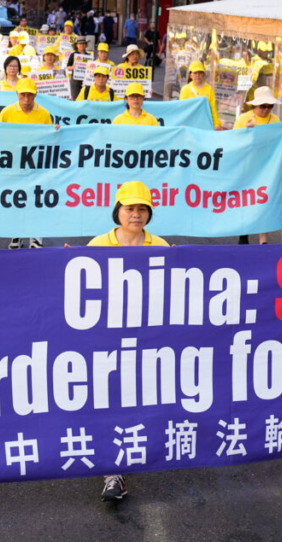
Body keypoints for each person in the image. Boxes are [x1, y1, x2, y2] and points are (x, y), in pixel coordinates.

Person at [87, 181, 169, 501]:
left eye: (142, 209)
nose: (136, 214)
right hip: (107, 338)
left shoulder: (161, 246)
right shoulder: (97, 244)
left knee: (139, 398)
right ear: (117, 211)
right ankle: (113, 473)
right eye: (130, 208)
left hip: (148, 338)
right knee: (110, 399)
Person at [0, 78, 58, 249]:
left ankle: (36, 239)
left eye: (30, 95)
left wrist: (56, 131)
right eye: (23, 94)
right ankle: (16, 235)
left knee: (36, 200)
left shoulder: (44, 114)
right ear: (17, 94)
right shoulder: (7, 112)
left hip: (36, 164)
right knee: (15, 199)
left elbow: (50, 138)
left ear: (35, 95)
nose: (26, 98)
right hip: (14, 163)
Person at [233, 87, 282, 245]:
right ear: (255, 105)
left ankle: (263, 241)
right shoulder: (243, 119)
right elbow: (233, 142)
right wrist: (245, 132)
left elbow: (279, 142)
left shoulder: (275, 120)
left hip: (267, 168)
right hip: (247, 167)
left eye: (270, 106)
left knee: (265, 201)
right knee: (247, 200)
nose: (266, 109)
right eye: (263, 106)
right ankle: (243, 234)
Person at [180, 61, 223, 130]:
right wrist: (182, 122)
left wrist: (216, 124)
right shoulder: (185, 89)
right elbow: (182, 108)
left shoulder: (209, 89)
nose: (198, 75)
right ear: (190, 75)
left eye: (200, 73)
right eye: (195, 73)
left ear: (203, 74)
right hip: (190, 125)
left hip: (205, 124)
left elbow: (213, 108)